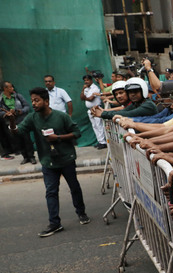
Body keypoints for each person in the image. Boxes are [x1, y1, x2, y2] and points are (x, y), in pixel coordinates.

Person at [8, 87, 90, 237]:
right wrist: (12, 121)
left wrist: (58, 138)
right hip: (48, 161)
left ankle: (81, 212)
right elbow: (18, 132)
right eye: (32, 100)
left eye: (37, 100)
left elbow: (77, 133)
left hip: (66, 159)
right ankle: (55, 223)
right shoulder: (32, 118)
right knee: (51, 192)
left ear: (46, 101)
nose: (33, 103)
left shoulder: (61, 116)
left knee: (74, 187)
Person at [0, 81, 34, 163]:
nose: (13, 88)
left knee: (27, 139)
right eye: (10, 87)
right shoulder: (1, 99)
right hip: (11, 123)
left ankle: (31, 157)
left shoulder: (18, 96)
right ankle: (25, 157)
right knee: (18, 140)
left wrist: (20, 111)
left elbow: (27, 106)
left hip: (22, 121)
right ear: (5, 88)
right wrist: (6, 113)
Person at [80, 75, 107, 149]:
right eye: (85, 80)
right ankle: (100, 141)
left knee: (99, 125)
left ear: (91, 80)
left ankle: (103, 142)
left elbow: (91, 99)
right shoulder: (86, 89)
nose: (86, 81)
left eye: (87, 80)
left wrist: (85, 98)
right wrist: (83, 89)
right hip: (90, 110)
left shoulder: (95, 88)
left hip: (97, 108)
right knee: (94, 126)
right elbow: (82, 97)